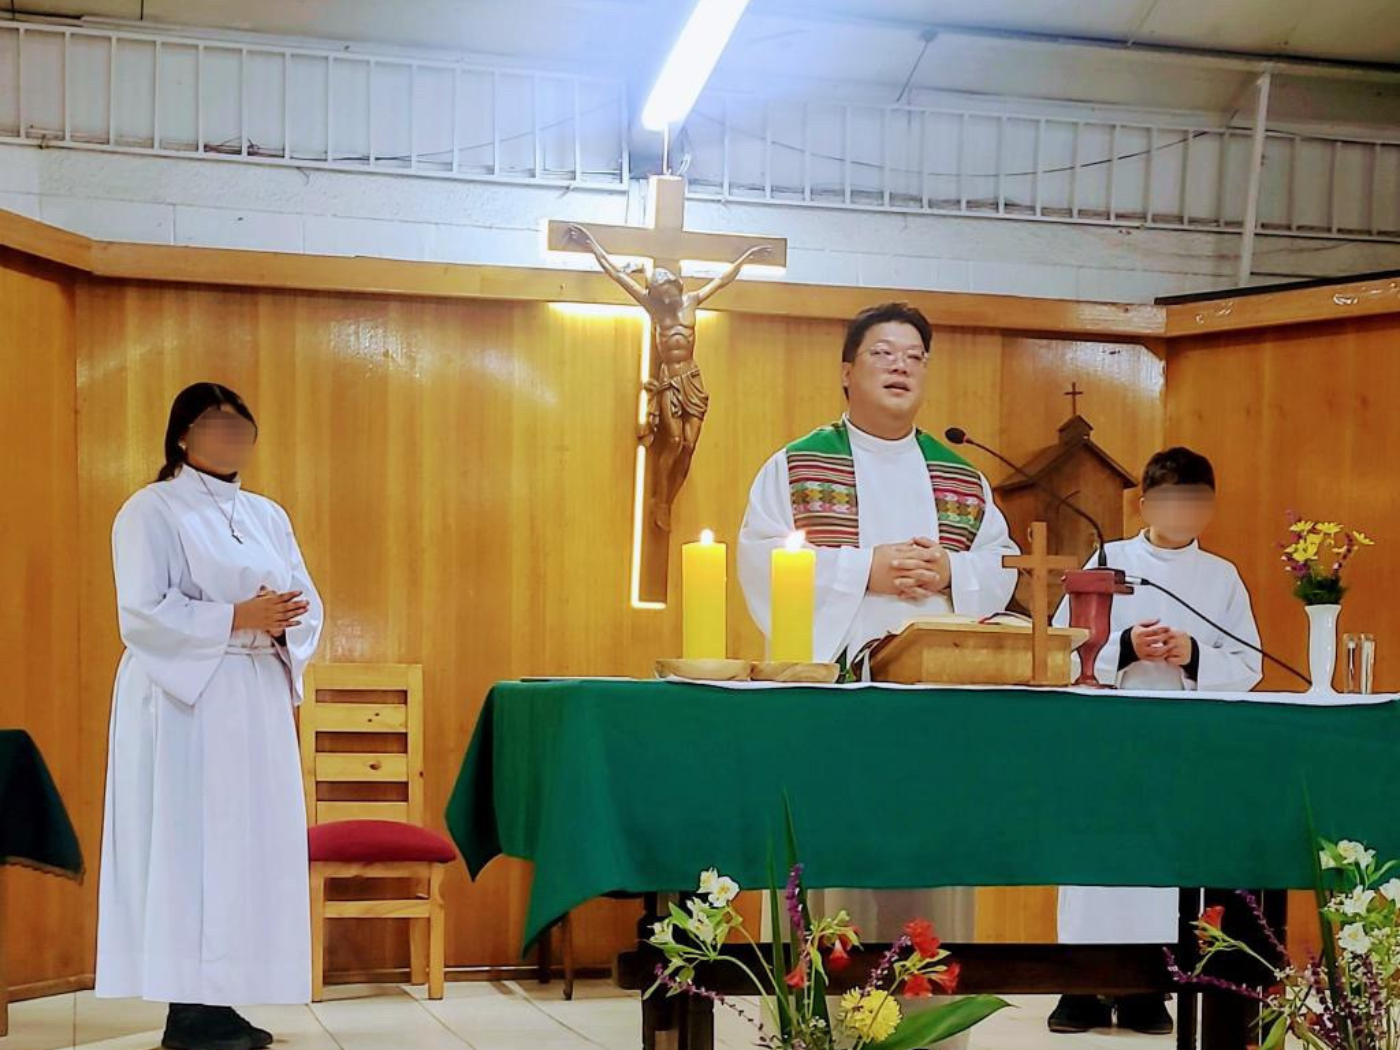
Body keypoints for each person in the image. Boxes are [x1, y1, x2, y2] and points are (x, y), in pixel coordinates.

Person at [737, 301, 1020, 979]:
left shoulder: (962, 476)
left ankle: (934, 1016)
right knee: (835, 856)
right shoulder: (798, 466)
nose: (901, 366)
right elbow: (764, 560)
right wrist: (870, 568)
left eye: (914, 356)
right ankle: (825, 1015)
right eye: (882, 353)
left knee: (931, 863)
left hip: (938, 712)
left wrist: (952, 568)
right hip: (836, 702)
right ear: (846, 372)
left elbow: (1001, 563)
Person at [96, 383, 324, 1050]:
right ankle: (185, 1007)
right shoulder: (150, 510)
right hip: (183, 700)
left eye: (239, 426)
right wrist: (235, 616)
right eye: (214, 425)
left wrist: (284, 622)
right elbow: (141, 611)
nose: (229, 437)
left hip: (252, 694)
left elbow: (304, 595)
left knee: (244, 846)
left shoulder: (266, 513)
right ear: (182, 437)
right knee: (186, 844)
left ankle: (220, 999)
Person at [1048, 446, 1262, 1036]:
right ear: (1145, 503)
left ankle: (1146, 988)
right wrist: (1124, 647)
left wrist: (1190, 652)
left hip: (1177, 741)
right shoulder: (1109, 559)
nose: (1183, 510)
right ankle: (1080, 985)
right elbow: (1062, 648)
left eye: (1196, 500)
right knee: (1094, 857)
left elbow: (1248, 663)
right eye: (1170, 498)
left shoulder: (1221, 577)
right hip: (1107, 736)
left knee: (1157, 864)